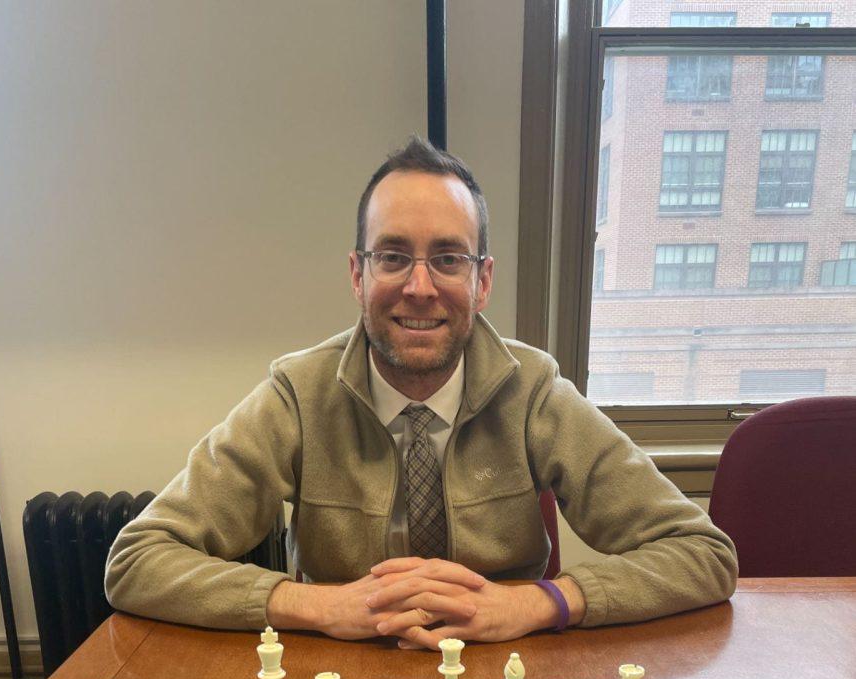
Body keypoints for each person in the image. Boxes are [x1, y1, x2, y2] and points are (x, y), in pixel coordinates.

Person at [105, 136, 737, 649]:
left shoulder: (534, 391)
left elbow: (702, 554)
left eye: (448, 258)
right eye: (393, 256)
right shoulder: (298, 394)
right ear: (359, 273)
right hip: (335, 677)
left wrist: (537, 602)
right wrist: (319, 604)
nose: (420, 286)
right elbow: (137, 561)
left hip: (504, 675)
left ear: (483, 280)